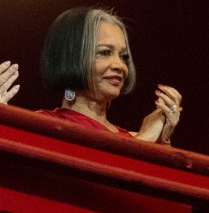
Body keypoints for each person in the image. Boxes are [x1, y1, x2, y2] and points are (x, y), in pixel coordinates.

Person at [26, 7, 182, 143]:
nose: (119, 66)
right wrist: (143, 142)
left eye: (123, 56)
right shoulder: (41, 126)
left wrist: (163, 140)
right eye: (105, 52)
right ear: (72, 56)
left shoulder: (134, 136)